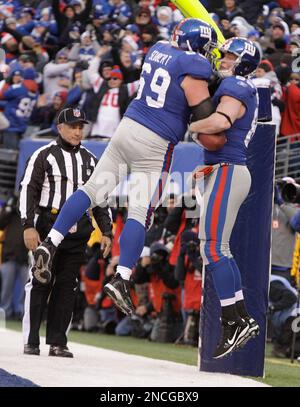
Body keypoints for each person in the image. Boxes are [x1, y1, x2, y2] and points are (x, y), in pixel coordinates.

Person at [31, 18, 219, 316]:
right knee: (139, 211)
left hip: (127, 127)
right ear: (196, 46)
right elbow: (205, 112)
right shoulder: (194, 67)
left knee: (91, 190)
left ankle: (51, 242)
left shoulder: (158, 48)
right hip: (155, 143)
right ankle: (122, 278)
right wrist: (216, 83)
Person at [19, 107, 113, 357]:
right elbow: (28, 189)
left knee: (67, 285)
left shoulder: (91, 160)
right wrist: (28, 225)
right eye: (72, 126)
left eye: (81, 126)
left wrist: (107, 231)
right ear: (60, 128)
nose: (77, 131)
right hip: (48, 225)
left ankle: (58, 342)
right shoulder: (43, 155)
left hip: (79, 229)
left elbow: (100, 199)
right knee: (40, 279)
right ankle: (31, 340)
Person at [190, 37, 261, 358]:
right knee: (216, 249)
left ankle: (235, 320)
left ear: (244, 62)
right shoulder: (234, 84)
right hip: (223, 169)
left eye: (231, 56)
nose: (224, 59)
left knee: (214, 248)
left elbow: (221, 122)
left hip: (229, 169)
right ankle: (239, 317)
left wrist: (189, 126)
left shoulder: (239, 86)